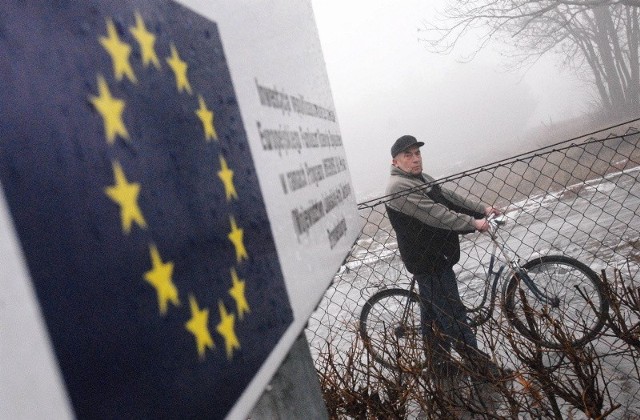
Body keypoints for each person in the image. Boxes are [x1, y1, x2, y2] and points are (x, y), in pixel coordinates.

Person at [385, 134, 504, 379]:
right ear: (395, 162)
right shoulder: (399, 188)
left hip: (437, 256)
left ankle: (439, 366)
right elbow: (437, 214)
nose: (415, 159)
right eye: (408, 155)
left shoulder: (421, 179)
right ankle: (482, 368)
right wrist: (474, 223)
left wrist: (481, 209)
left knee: (433, 315)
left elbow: (449, 198)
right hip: (428, 261)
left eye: (417, 153)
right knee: (453, 315)